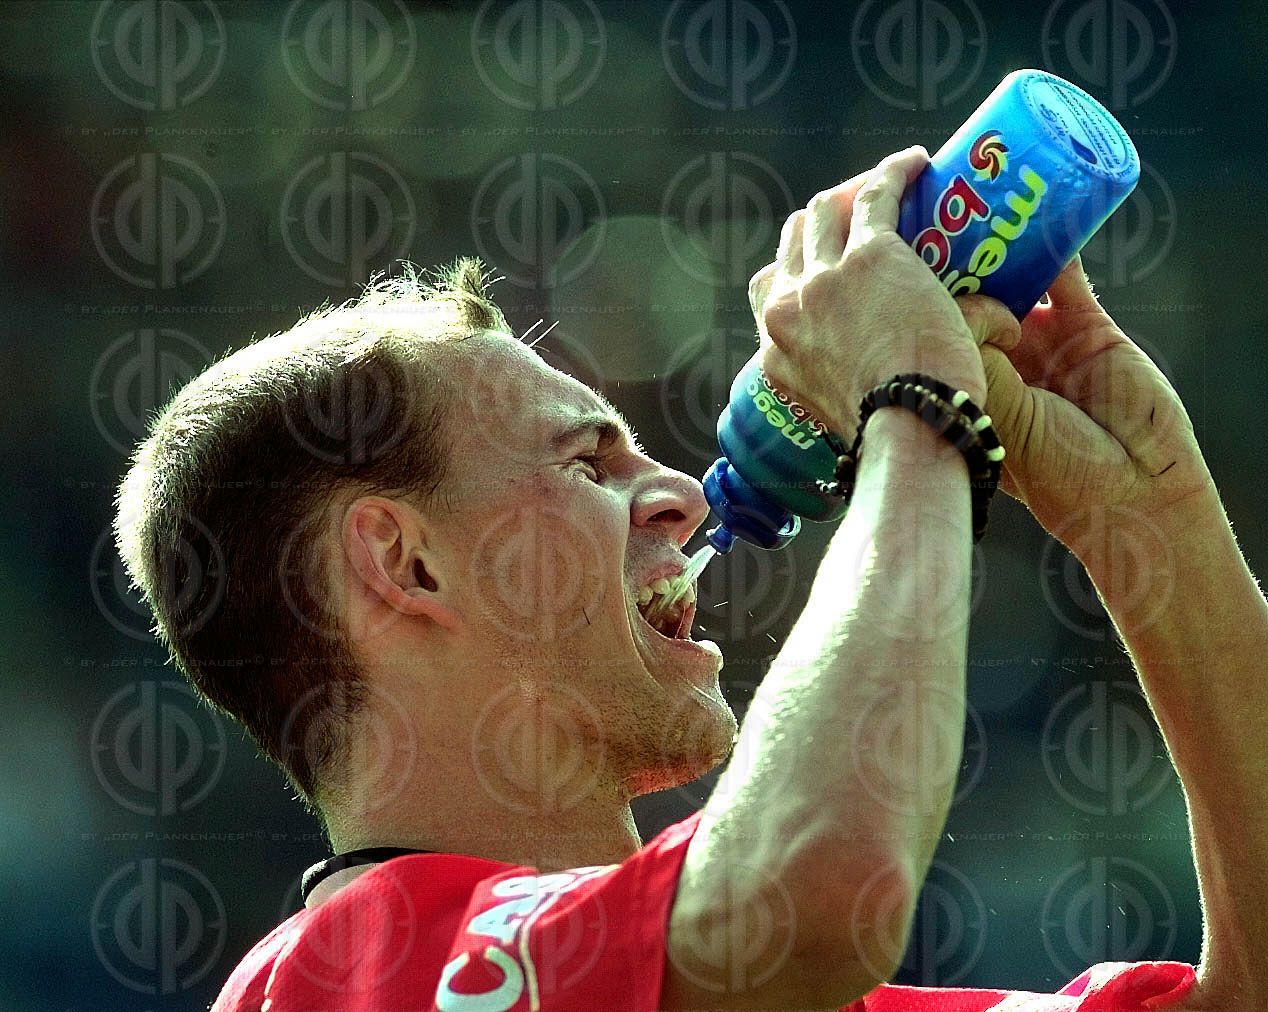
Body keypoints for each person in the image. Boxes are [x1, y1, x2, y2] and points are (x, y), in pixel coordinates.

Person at [113, 145, 1258, 1011]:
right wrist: (915, 405)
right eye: (584, 460)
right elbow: (819, 886)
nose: (681, 495)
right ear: (405, 562)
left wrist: (1145, 516)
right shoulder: (348, 972)